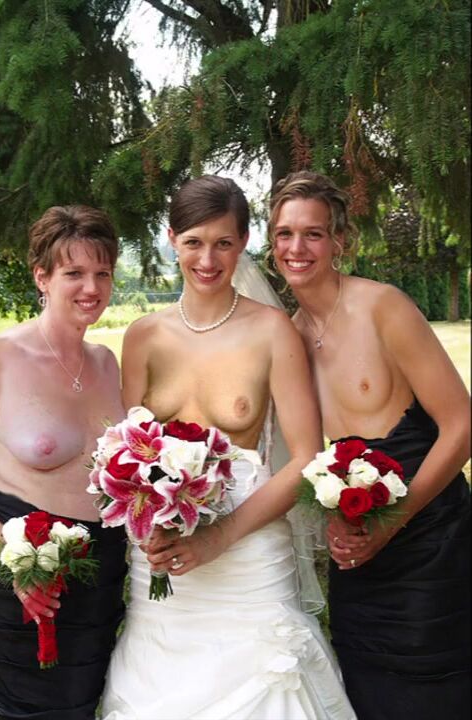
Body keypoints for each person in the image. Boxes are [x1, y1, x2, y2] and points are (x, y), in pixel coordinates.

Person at [100, 175, 357, 719]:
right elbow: (125, 450)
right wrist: (152, 523)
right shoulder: (143, 336)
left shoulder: (272, 332)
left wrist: (218, 536)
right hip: (164, 560)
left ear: (243, 242)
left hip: (249, 557)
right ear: (172, 238)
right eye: (194, 242)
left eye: (223, 242)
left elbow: (306, 458)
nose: (208, 259)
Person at [269, 170, 471, 720]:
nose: (297, 248)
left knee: (434, 688)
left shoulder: (383, 307)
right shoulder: (289, 336)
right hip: (360, 545)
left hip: (430, 538)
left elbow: (461, 425)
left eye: (313, 233)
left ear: (339, 240)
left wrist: (393, 521)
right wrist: (343, 522)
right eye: (285, 233)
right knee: (366, 684)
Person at [0, 205, 128, 720]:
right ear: (41, 276)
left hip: (98, 581)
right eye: (74, 273)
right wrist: (17, 557)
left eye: (103, 273)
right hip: (18, 583)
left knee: (81, 706)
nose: (92, 287)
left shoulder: (108, 364)